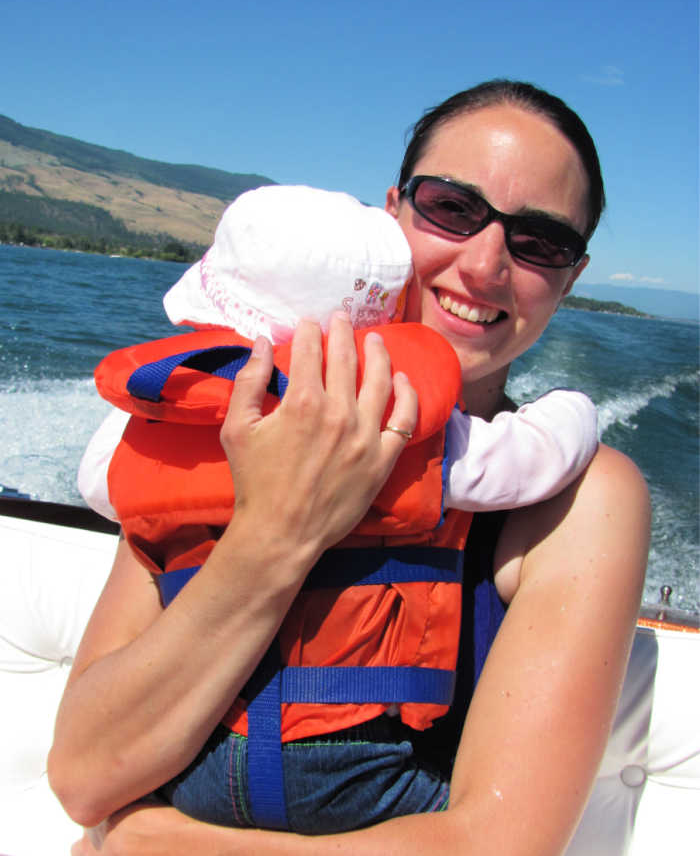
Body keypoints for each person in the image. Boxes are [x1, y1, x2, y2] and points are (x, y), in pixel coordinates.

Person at [49, 80, 650, 856]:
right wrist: (277, 532)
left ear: (572, 276)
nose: (485, 264)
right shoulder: (231, 431)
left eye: (540, 242)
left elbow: (497, 844)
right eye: (453, 209)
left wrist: (152, 840)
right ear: (393, 212)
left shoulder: (583, 502)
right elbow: (81, 776)